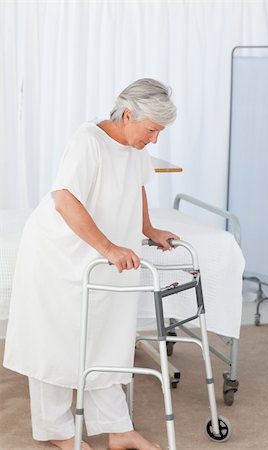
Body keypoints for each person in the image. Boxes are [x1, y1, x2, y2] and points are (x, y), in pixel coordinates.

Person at [3, 78, 179, 450]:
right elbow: (64, 197)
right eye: (152, 130)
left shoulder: (135, 144)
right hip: (61, 252)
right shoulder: (88, 142)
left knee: (108, 334)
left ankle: (118, 428)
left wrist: (148, 229)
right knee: (54, 340)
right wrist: (109, 247)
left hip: (102, 256)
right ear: (129, 114)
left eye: (159, 132)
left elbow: (138, 185)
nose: (154, 140)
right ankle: (58, 432)